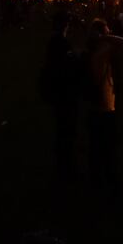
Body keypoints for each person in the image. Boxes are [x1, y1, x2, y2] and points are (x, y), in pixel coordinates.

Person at [85, 18, 123, 194]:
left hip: (95, 102)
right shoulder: (102, 51)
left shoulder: (92, 51)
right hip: (104, 102)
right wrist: (105, 37)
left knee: (96, 142)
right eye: (107, 28)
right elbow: (121, 41)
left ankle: (96, 174)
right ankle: (107, 180)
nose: (110, 30)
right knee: (106, 144)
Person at [39, 10, 81, 181]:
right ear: (65, 25)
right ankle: (65, 166)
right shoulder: (61, 43)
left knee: (62, 129)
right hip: (64, 91)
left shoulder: (54, 41)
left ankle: (62, 163)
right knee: (66, 130)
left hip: (58, 90)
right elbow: (66, 66)